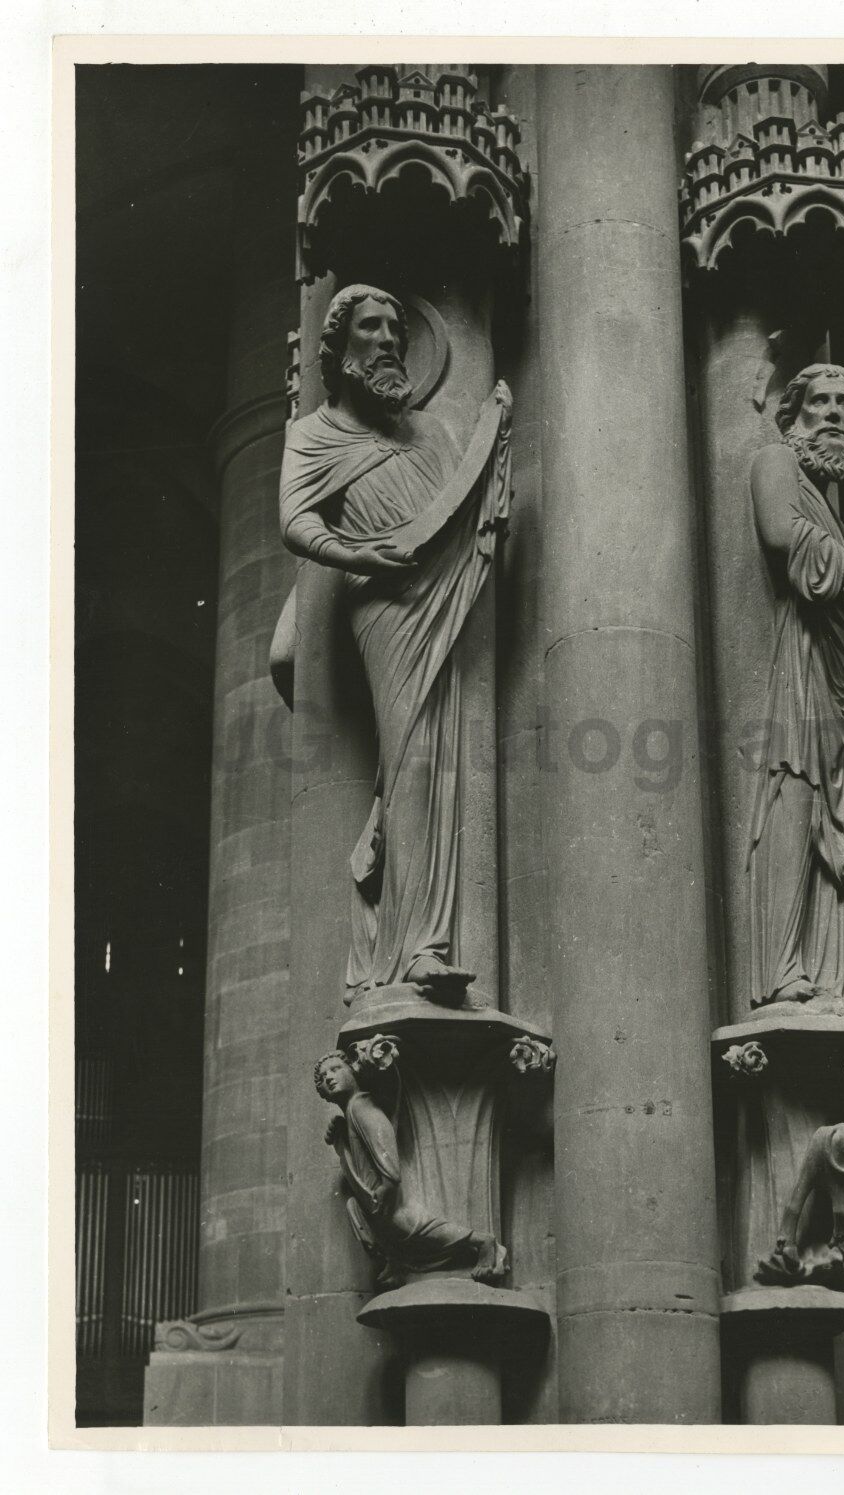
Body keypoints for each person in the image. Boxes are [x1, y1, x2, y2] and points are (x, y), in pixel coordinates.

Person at [279, 284, 512, 1006]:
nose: (387, 341)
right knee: (412, 758)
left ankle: (428, 937)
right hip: (383, 605)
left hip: (445, 592)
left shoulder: (432, 434)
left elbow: (460, 508)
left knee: (447, 760)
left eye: (395, 330)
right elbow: (294, 521)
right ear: (340, 351)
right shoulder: (313, 435)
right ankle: (414, 946)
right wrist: (357, 554)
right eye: (371, 330)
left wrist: (493, 434)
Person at [747, 363, 844, 1008]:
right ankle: (781, 969)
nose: (836, 413)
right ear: (794, 413)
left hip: (842, 684)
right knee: (797, 802)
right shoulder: (775, 462)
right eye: (821, 402)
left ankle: (826, 971)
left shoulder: (835, 513)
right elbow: (781, 535)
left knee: (831, 821)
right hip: (803, 667)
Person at [314, 1049, 507, 1285]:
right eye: (323, 1078)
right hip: (373, 1197)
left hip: (386, 1194)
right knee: (366, 1214)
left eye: (336, 1069)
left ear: (353, 1070)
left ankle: (482, 1242)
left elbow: (383, 1140)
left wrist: (389, 1182)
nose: (329, 1078)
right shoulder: (351, 1111)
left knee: (413, 1227)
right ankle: (397, 1263)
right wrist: (340, 1136)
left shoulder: (361, 1107)